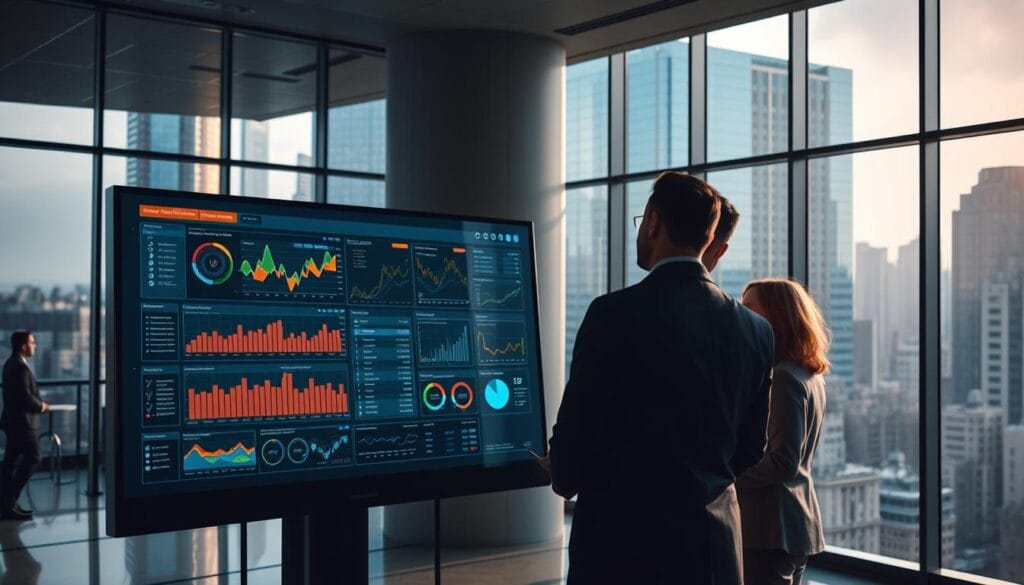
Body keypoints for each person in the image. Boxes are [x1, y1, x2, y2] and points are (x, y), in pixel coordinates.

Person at [546, 172, 775, 585]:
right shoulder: (756, 330)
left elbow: (579, 431)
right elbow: (750, 448)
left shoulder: (612, 314)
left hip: (621, 553)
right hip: (712, 553)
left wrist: (561, 473)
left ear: (653, 222)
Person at [736, 279, 829, 585]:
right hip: (793, 524)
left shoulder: (784, 379)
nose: (741, 314)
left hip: (770, 527)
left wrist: (729, 480)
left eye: (749, 308)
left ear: (778, 317)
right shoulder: (807, 375)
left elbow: (782, 462)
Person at [1, 330, 48, 520]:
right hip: (22, 423)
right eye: (32, 342)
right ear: (23, 346)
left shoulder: (11, 363)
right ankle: (7, 501)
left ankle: (7, 505)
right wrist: (41, 405)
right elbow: (25, 397)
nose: (35, 345)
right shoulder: (19, 367)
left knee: (10, 463)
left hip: (14, 422)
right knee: (34, 458)